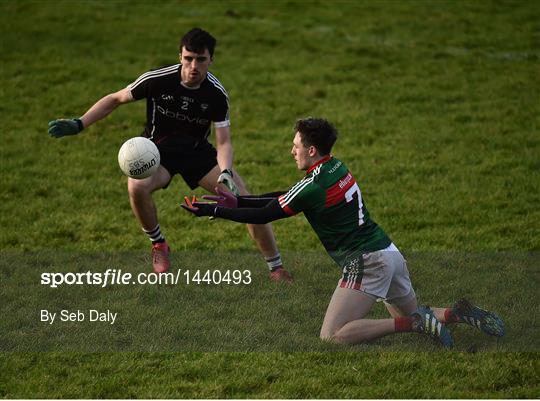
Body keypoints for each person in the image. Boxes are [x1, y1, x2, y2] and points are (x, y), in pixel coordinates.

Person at [182, 117, 505, 347]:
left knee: (333, 336)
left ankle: (416, 325)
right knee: (411, 312)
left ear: (311, 151)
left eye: (295, 146)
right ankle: (456, 313)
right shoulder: (335, 166)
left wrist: (215, 210)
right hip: (388, 253)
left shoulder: (314, 184)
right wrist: (238, 199)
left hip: (367, 261)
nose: (291, 150)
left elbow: (270, 212)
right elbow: (285, 196)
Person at [48, 28, 292, 281]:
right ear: (180, 57)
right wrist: (80, 123)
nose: (193, 66)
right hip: (157, 152)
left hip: (197, 154)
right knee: (136, 187)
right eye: (188, 58)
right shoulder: (158, 80)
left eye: (200, 59)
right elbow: (115, 98)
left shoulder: (216, 94)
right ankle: (159, 244)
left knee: (245, 201)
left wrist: (226, 172)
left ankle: (276, 267)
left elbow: (224, 142)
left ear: (211, 60)